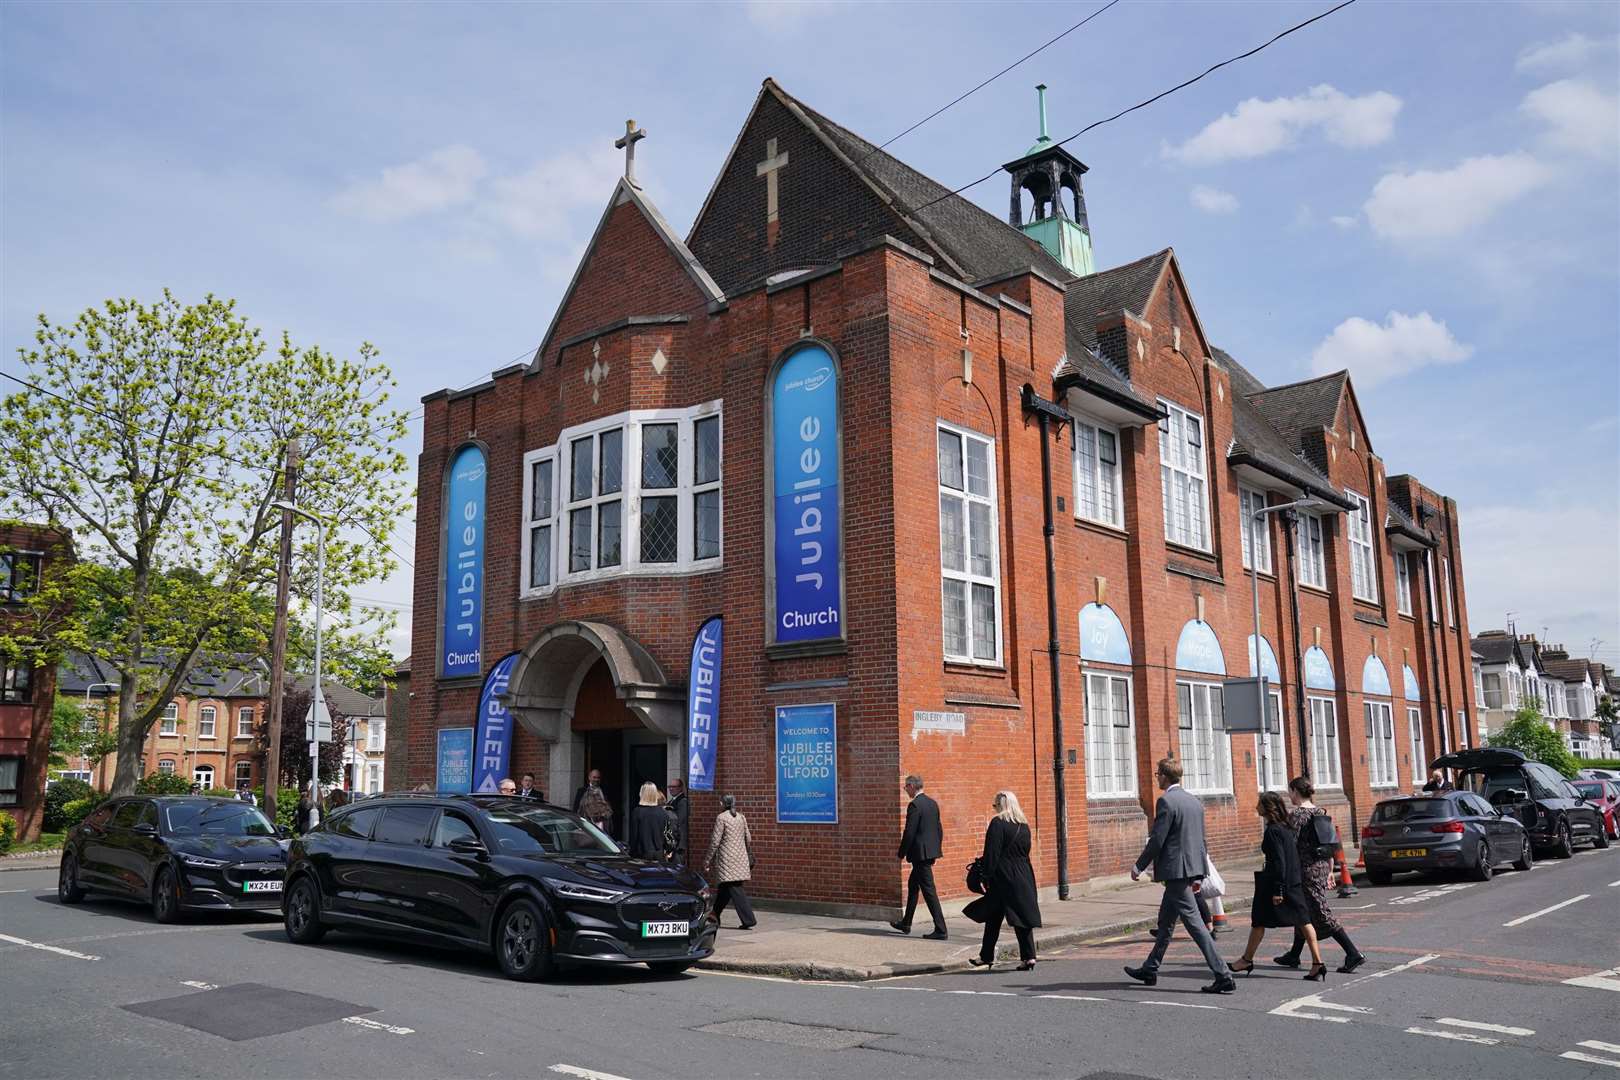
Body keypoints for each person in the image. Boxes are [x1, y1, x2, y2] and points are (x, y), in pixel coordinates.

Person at [1125, 758, 1235, 994]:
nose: (1157, 778)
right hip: (1190, 869)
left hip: (1175, 872)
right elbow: (1201, 841)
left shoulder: (1166, 801)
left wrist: (1139, 866)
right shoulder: (1193, 801)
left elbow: (1158, 839)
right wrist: (1200, 874)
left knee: (1195, 925)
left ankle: (1223, 975)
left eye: (1157, 775)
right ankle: (1150, 968)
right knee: (1165, 923)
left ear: (1164, 776)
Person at [1227, 791, 1326, 981]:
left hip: (1276, 883)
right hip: (1293, 881)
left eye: (1259, 803)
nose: (1256, 806)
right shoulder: (1286, 827)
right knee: (1304, 921)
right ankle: (1317, 963)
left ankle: (1246, 960)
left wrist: (1278, 889)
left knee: (1258, 921)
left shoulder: (1273, 830)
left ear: (1267, 808)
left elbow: (1279, 861)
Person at [1277, 776, 1366, 973]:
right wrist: (1329, 870)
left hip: (1305, 871)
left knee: (1321, 913)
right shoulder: (1320, 812)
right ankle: (1294, 954)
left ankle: (1353, 953)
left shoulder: (1297, 815)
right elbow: (1331, 845)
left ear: (1294, 791)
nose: (1289, 796)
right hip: (1320, 867)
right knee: (1302, 911)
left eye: (1290, 792)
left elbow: (1287, 845)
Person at [964, 790, 1040, 970]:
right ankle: (1027, 957)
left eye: (995, 805)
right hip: (1023, 874)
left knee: (994, 916)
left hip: (1003, 877)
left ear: (1000, 805)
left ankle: (987, 956)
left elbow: (992, 854)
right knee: (1015, 915)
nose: (995, 808)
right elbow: (1025, 852)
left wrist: (985, 876)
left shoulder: (998, 823)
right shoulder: (1023, 825)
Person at [889, 774, 948, 940]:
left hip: (920, 855)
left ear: (912, 786)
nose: (905, 790)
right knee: (913, 886)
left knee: (929, 891)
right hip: (928, 853)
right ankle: (906, 923)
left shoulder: (915, 805)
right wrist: (935, 850)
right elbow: (939, 829)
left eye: (906, 787)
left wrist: (901, 853)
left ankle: (941, 929)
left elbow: (909, 832)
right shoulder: (932, 803)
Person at [703, 794, 757, 930]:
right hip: (740, 857)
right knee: (725, 888)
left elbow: (715, 841)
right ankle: (714, 915)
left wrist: (707, 860)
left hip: (727, 859)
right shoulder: (741, 817)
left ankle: (749, 919)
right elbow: (748, 838)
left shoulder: (721, 818)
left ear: (723, 803)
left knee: (734, 887)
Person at [629, 782, 667, 859]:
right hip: (659, 853)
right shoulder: (662, 812)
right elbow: (666, 834)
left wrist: (631, 852)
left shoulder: (637, 812)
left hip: (642, 854)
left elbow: (634, 836)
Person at [664, 777, 689, 864]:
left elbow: (681, 822)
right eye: (670, 786)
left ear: (681, 788)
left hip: (678, 843)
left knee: (677, 868)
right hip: (673, 841)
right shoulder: (672, 801)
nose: (671, 788)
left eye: (674, 786)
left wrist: (677, 843)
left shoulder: (682, 801)